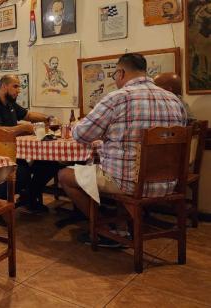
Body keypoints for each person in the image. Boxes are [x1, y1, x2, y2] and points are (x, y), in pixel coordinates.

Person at [58, 53, 187, 247]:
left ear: (121, 73)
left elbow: (82, 135)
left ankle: (105, 229)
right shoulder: (174, 100)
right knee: (116, 165)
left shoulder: (117, 98)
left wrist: (78, 126)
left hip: (128, 183)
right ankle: (122, 226)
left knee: (64, 175)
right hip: (168, 183)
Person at [0, 74, 62, 219]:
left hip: (15, 151)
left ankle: (28, 198)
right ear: (4, 86)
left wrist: (47, 118)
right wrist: (23, 128)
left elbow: (28, 115)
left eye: (19, 87)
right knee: (21, 173)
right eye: (15, 86)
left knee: (50, 164)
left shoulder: (10, 104)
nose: (19, 90)